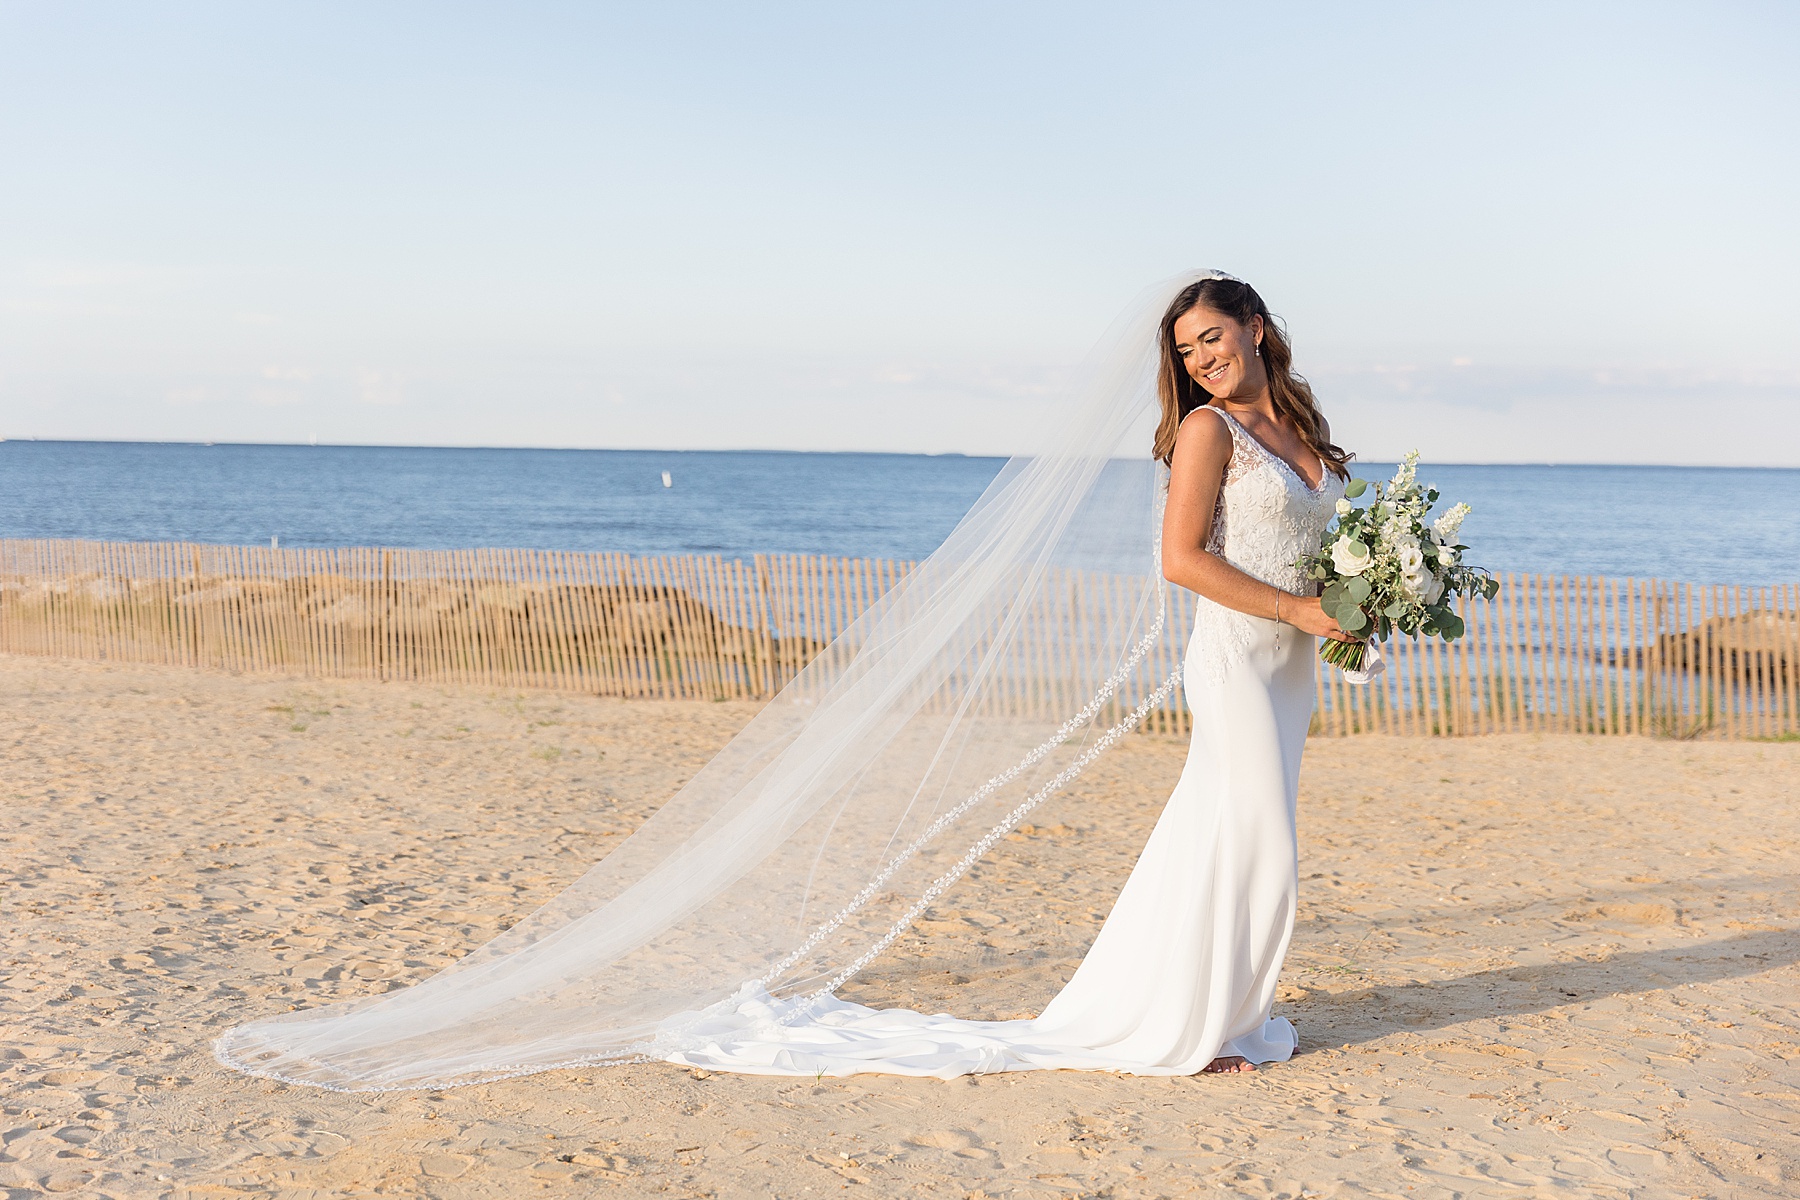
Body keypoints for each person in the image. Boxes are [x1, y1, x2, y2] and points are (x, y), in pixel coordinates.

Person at [216, 272, 1358, 1090]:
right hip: (1239, 657)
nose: (1205, 358)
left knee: (1235, 832)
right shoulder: (1209, 432)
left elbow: (1321, 549)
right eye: (1190, 350)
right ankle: (1197, 1021)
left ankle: (1222, 1013)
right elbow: (1182, 562)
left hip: (1291, 664)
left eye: (1216, 337)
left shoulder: (1299, 426)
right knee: (1251, 835)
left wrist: (1354, 611)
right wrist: (1304, 608)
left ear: (1258, 326)